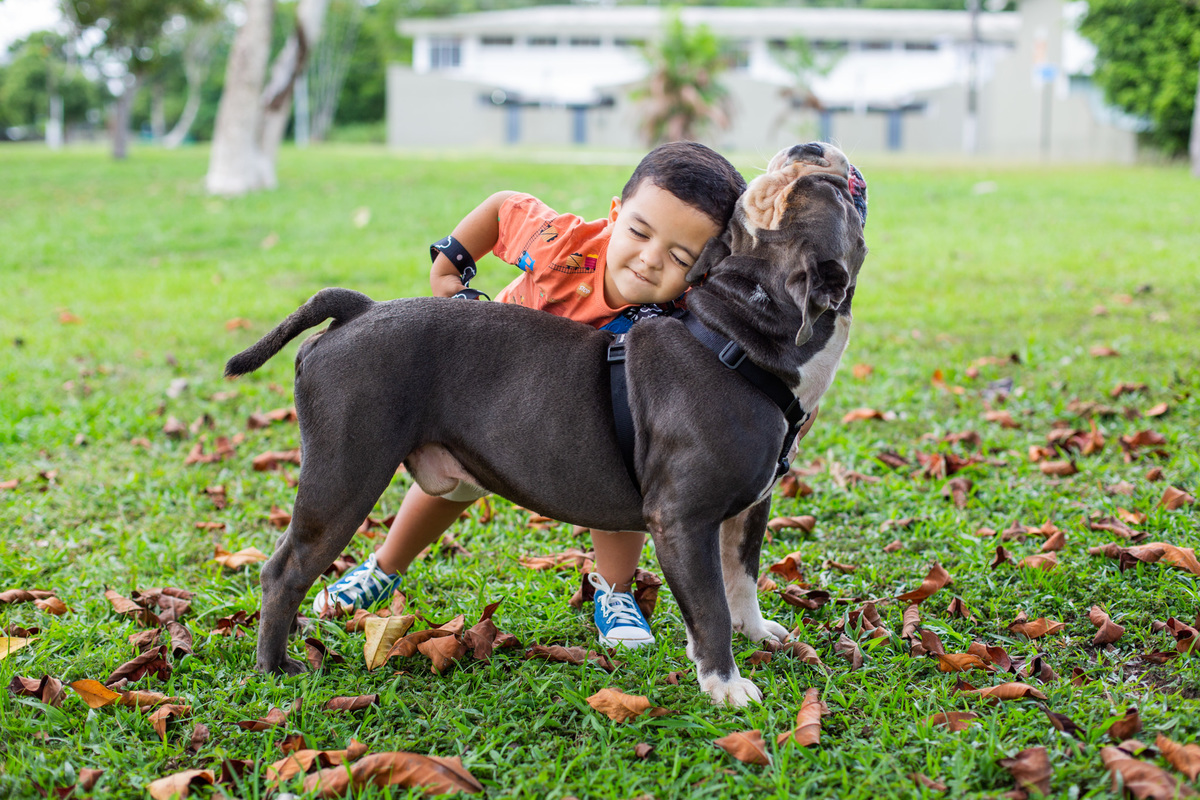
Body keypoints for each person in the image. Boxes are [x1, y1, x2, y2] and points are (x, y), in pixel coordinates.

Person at [315, 143, 857, 650]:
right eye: (639, 232)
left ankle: (616, 593)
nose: (649, 260)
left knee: (625, 481)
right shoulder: (562, 244)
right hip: (493, 396)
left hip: (589, 420)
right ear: (616, 211)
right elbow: (504, 208)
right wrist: (450, 267)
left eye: (679, 256)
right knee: (447, 484)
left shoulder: (691, 308)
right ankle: (384, 568)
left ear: (709, 266)